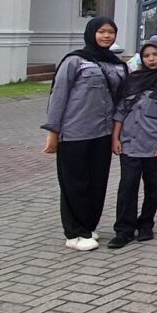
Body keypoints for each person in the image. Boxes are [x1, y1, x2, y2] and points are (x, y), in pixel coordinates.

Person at [43, 16, 128, 251]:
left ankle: (88, 226)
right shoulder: (75, 61)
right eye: (102, 32)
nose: (107, 36)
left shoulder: (117, 64)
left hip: (103, 133)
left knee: (97, 182)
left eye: (111, 32)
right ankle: (74, 233)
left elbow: (123, 99)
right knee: (74, 183)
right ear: (92, 33)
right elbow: (58, 96)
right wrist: (53, 132)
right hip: (74, 133)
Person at [108, 40, 157, 249]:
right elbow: (120, 111)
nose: (151, 59)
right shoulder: (132, 80)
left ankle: (146, 224)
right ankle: (124, 230)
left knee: (153, 186)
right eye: (147, 55)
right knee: (127, 186)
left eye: (155, 55)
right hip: (130, 142)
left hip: (156, 143)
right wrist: (115, 138)